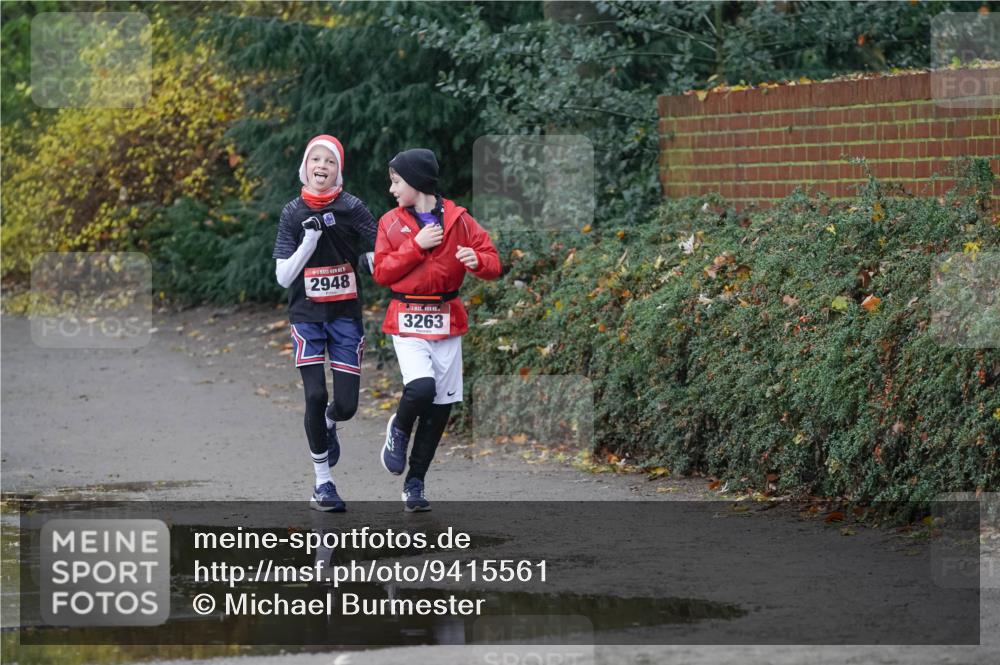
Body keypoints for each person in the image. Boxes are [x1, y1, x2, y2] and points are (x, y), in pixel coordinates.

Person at [373, 148, 502, 511]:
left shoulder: (460, 220)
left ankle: (415, 483)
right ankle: (398, 428)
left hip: (447, 320)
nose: (392, 189)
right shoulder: (390, 223)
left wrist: (478, 261)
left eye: (397, 181)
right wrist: (415, 246)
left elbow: (493, 261)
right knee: (421, 388)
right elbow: (382, 272)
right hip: (407, 317)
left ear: (416, 181)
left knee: (440, 408)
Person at [272, 134, 377, 512]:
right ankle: (323, 484)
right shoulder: (292, 212)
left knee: (345, 405)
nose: (322, 166)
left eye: (330, 161)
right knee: (315, 395)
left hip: (346, 316)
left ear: (338, 170)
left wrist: (373, 260)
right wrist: (307, 244)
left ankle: (332, 422)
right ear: (305, 166)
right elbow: (284, 277)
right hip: (308, 318)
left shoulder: (352, 207)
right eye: (315, 159)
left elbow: (385, 242)